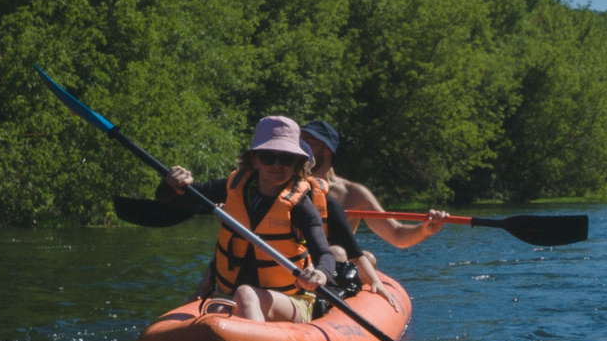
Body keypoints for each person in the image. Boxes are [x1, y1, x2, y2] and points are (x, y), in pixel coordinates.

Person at [159, 116, 346, 324]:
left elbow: (324, 254)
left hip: (290, 299)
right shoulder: (234, 186)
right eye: (268, 156)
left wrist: (320, 274)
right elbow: (173, 200)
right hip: (231, 293)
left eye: (286, 158)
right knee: (224, 307)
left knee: (246, 294)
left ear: (297, 163)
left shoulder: (301, 207)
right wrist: (171, 183)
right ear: (255, 160)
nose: (277, 164)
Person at [302, 119, 449, 277]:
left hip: (335, 263)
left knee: (368, 259)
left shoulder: (354, 194)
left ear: (327, 149)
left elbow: (397, 235)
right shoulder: (289, 187)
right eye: (299, 142)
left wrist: (424, 229)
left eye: (308, 142)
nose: (301, 148)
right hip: (297, 260)